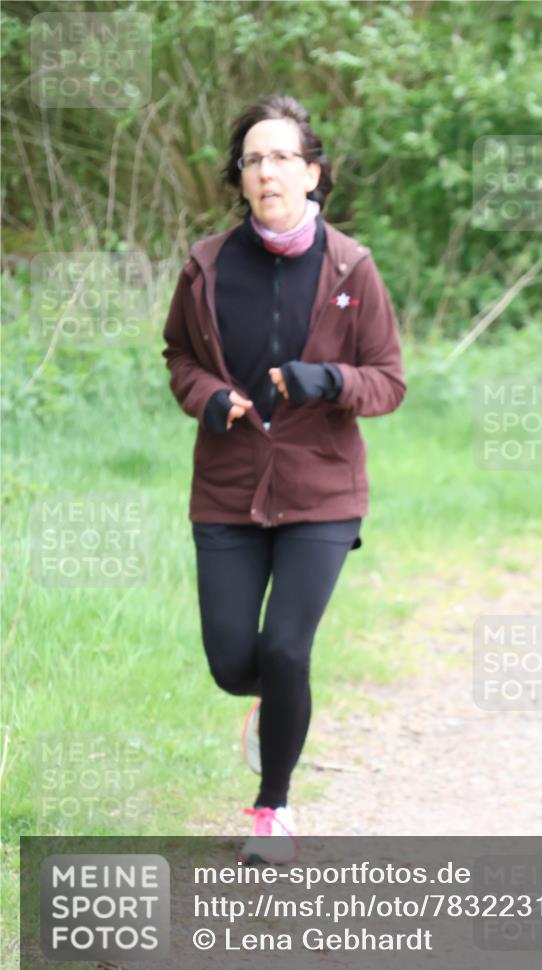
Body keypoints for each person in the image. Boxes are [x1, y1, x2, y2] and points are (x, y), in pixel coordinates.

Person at [162, 94, 406, 863]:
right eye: (252, 159)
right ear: (240, 180)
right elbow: (179, 357)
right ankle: (269, 699)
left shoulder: (351, 267)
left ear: (311, 172)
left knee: (287, 649)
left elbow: (388, 381)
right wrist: (208, 397)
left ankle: (272, 808)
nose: (266, 170)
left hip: (321, 489)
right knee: (236, 661)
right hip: (227, 487)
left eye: (281, 157)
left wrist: (326, 380)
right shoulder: (204, 266)